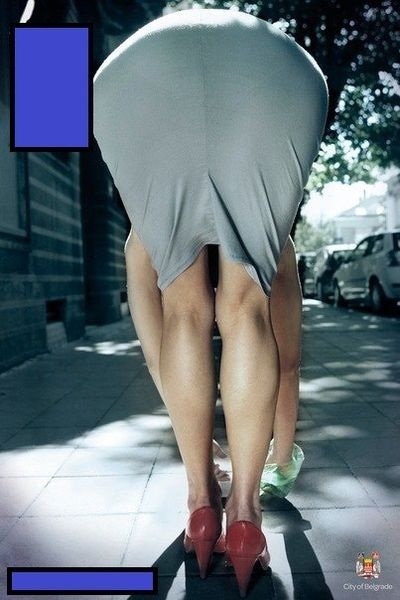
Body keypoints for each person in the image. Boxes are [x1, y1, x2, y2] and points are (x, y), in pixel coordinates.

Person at [93, 8, 328, 597]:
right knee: (247, 307)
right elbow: (288, 361)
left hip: (134, 73)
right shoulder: (278, 245)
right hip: (275, 70)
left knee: (182, 310)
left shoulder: (141, 243)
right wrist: (280, 461)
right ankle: (245, 514)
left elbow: (158, 354)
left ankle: (201, 503)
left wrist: (201, 448)